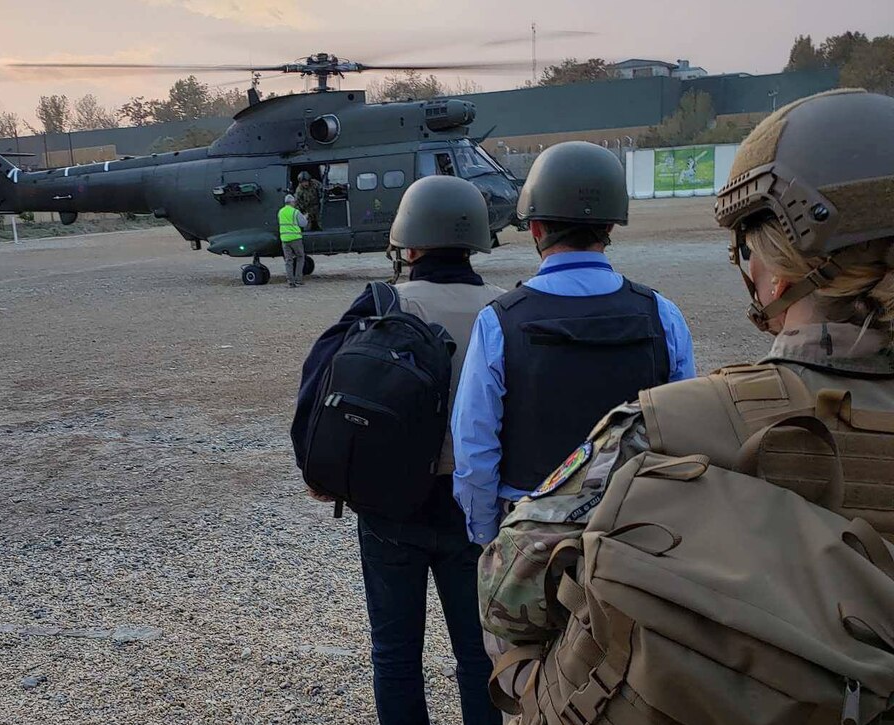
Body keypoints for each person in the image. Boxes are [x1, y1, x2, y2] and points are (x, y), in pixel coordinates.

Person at [479, 89, 894, 723]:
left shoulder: (676, 424)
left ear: (777, 272)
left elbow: (505, 589)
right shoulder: (660, 314)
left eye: (750, 247)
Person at [292, 176, 506, 725]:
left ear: (408, 245)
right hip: (476, 512)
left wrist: (322, 473)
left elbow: (318, 381)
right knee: (478, 657)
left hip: (389, 506)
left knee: (394, 655)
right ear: (478, 241)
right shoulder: (507, 309)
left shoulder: (385, 302)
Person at [451, 141, 695, 547]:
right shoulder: (661, 313)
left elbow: (475, 445)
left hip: (533, 535)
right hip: (634, 531)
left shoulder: (500, 321)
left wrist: (485, 533)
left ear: (535, 228)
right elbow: (685, 431)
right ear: (611, 226)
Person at [278, 194, 308, 287]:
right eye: (294, 202)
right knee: (300, 257)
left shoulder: (280, 212)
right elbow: (303, 224)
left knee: (288, 260)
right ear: (291, 202)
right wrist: (305, 217)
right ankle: (298, 279)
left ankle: (290, 281)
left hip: (284, 239)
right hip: (295, 238)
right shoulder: (295, 212)